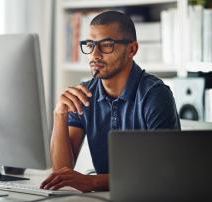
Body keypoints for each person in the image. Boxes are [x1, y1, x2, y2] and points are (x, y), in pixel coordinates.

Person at [40, 10, 180, 192]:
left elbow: (162, 173)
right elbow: (61, 173)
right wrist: (59, 114)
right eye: (90, 45)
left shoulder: (155, 95)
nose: (95, 54)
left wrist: (91, 182)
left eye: (106, 45)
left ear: (132, 49)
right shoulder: (84, 94)